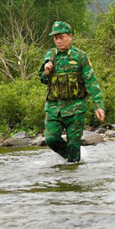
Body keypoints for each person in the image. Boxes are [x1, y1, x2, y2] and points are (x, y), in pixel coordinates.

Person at [40, 21, 106, 162]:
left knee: (74, 145)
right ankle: (69, 159)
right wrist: (45, 72)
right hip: (54, 108)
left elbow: (91, 82)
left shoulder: (80, 56)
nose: (58, 41)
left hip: (75, 108)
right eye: (55, 38)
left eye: (61, 37)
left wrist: (98, 105)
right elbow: (42, 79)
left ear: (70, 36)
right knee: (51, 139)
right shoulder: (50, 55)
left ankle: (73, 168)